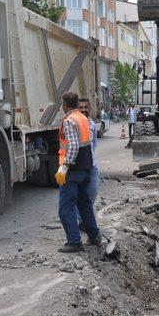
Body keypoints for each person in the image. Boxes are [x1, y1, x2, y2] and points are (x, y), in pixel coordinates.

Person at [55, 91, 102, 253]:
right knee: (84, 204)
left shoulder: (69, 121)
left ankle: (74, 242)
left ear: (64, 105)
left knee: (65, 208)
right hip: (85, 169)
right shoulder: (83, 119)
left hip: (72, 172)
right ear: (76, 104)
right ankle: (94, 235)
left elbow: (73, 146)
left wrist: (64, 167)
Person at [77, 98, 99, 229]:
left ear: (89, 109)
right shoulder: (74, 124)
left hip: (92, 165)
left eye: (86, 107)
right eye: (81, 107)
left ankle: (84, 218)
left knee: (93, 192)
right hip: (79, 167)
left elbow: (94, 144)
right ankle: (81, 221)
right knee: (78, 195)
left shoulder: (92, 125)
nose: (84, 109)